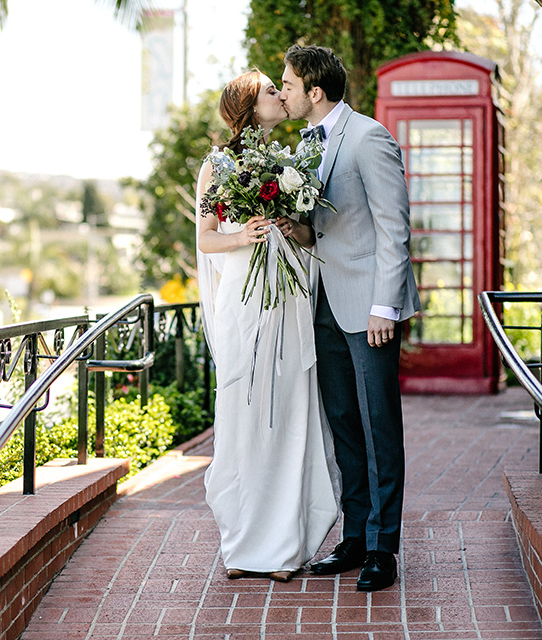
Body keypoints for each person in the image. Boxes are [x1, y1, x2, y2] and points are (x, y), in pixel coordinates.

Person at [278, 45, 420, 592]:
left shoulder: (368, 137)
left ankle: (383, 547)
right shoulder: (306, 145)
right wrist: (298, 229)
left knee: (378, 424)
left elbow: (393, 228)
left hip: (368, 308)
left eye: (288, 84)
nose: (283, 92)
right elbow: (330, 229)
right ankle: (356, 535)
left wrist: (385, 305)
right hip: (324, 304)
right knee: (343, 422)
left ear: (315, 91)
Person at [195, 70, 340, 583]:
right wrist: (245, 236)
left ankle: (284, 548)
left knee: (290, 414)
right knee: (246, 414)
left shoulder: (288, 161)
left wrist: (292, 228)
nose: (281, 95)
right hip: (246, 300)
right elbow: (207, 239)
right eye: (270, 91)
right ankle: (241, 546)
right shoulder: (220, 164)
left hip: (289, 301)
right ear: (250, 108)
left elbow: (308, 234)